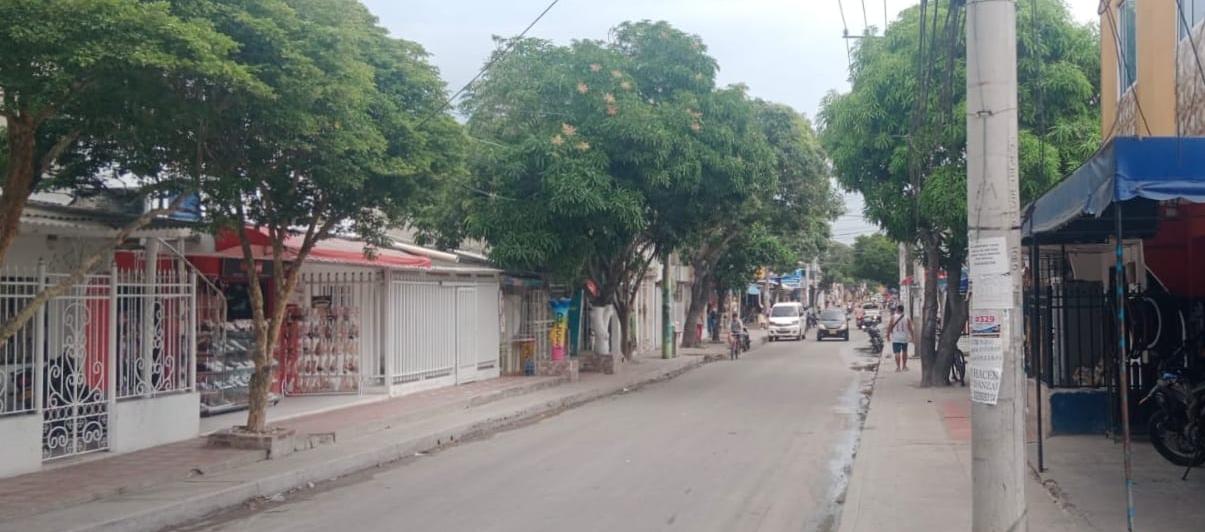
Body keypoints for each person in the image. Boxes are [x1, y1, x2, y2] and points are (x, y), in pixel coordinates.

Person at [886, 304, 913, 371]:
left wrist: (888, 336)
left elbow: (889, 327)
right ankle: (904, 366)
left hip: (896, 338)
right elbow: (910, 328)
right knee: (905, 351)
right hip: (904, 337)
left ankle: (898, 367)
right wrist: (913, 337)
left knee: (897, 352)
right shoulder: (907, 318)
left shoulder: (893, 317)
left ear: (897, 309)